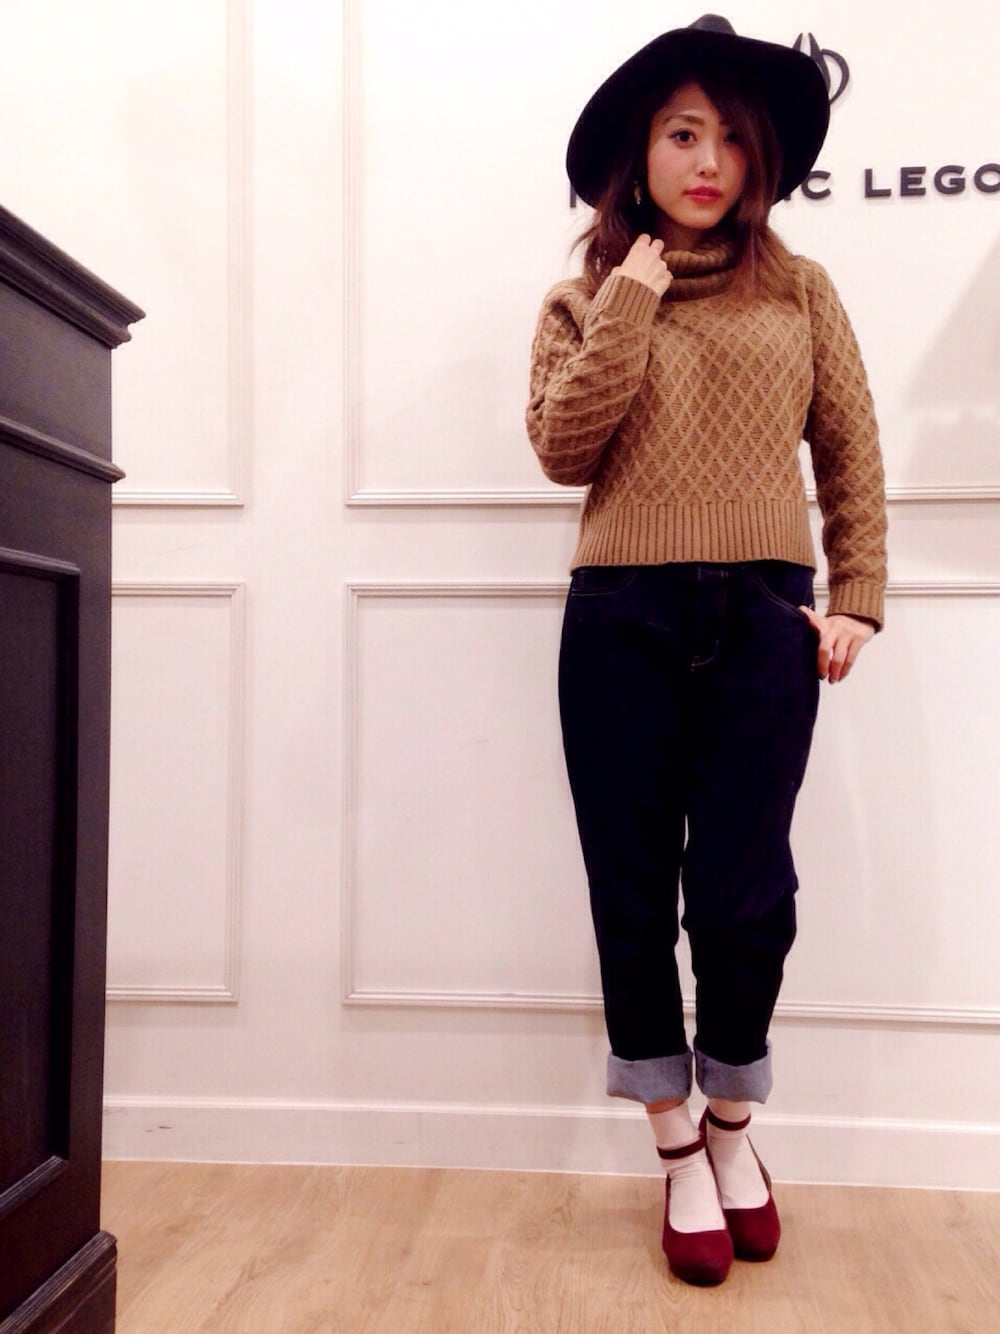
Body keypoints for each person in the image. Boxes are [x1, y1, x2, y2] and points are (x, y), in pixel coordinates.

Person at [526, 14, 887, 1286]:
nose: (708, 160)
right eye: (683, 133)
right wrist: (631, 289)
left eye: (731, 137)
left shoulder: (801, 289)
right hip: (617, 617)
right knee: (629, 890)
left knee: (744, 895)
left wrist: (857, 595)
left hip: (763, 621)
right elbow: (564, 448)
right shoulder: (582, 298)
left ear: (760, 159)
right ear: (640, 153)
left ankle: (733, 1120)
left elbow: (849, 448)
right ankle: (674, 1144)